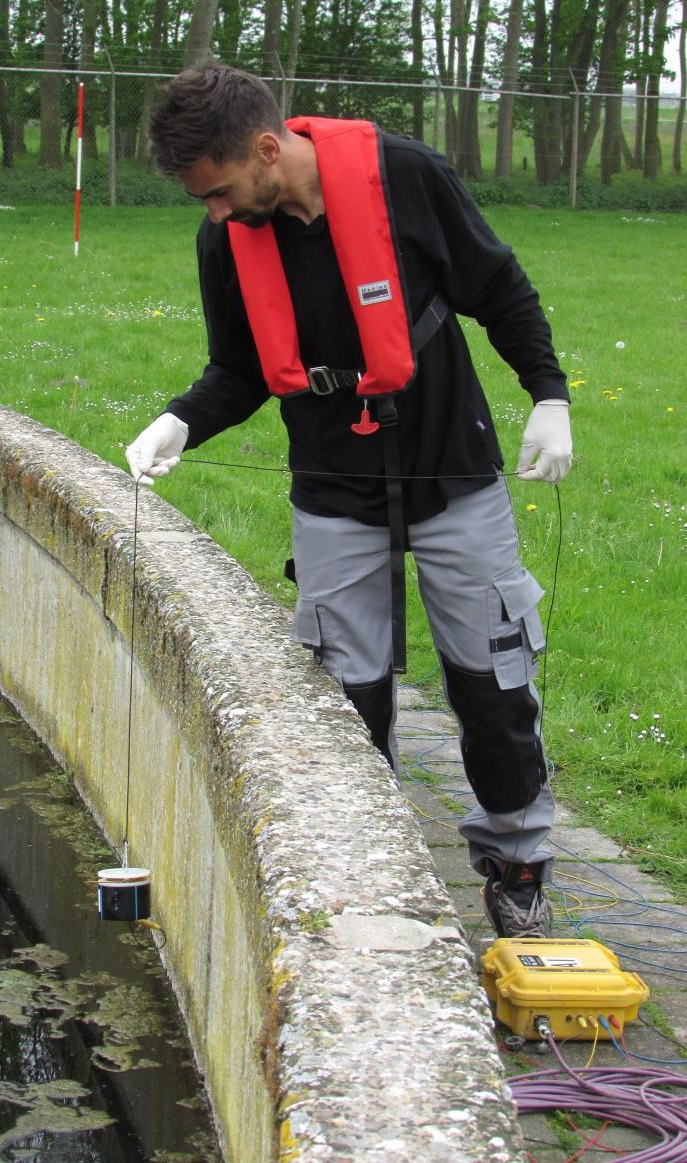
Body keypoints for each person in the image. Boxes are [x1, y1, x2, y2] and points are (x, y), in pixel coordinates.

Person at [126, 64, 573, 940]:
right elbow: (240, 368)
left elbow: (500, 288)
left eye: (219, 193)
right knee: (345, 694)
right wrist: (179, 421)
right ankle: (368, 868)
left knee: (493, 678)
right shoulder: (225, 239)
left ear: (265, 150)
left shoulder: (406, 176)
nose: (214, 214)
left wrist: (549, 395)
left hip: (452, 465)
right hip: (332, 481)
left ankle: (517, 859)